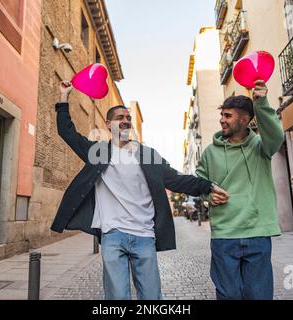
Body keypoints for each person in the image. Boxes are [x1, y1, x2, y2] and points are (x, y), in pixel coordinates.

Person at [51, 80, 226, 300]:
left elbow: (177, 180)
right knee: (117, 297)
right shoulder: (98, 152)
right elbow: (68, 133)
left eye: (128, 118)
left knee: (152, 296)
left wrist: (207, 186)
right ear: (108, 124)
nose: (125, 121)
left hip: (144, 235)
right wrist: (63, 97)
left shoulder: (148, 155)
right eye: (119, 118)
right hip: (112, 235)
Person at [196, 80, 284, 300]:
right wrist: (208, 193)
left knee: (259, 295)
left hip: (258, 233)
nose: (222, 120)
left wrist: (261, 102)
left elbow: (276, 135)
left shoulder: (261, 147)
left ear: (245, 120)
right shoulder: (209, 152)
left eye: (228, 116)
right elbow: (199, 181)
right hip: (224, 234)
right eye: (222, 115)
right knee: (228, 295)